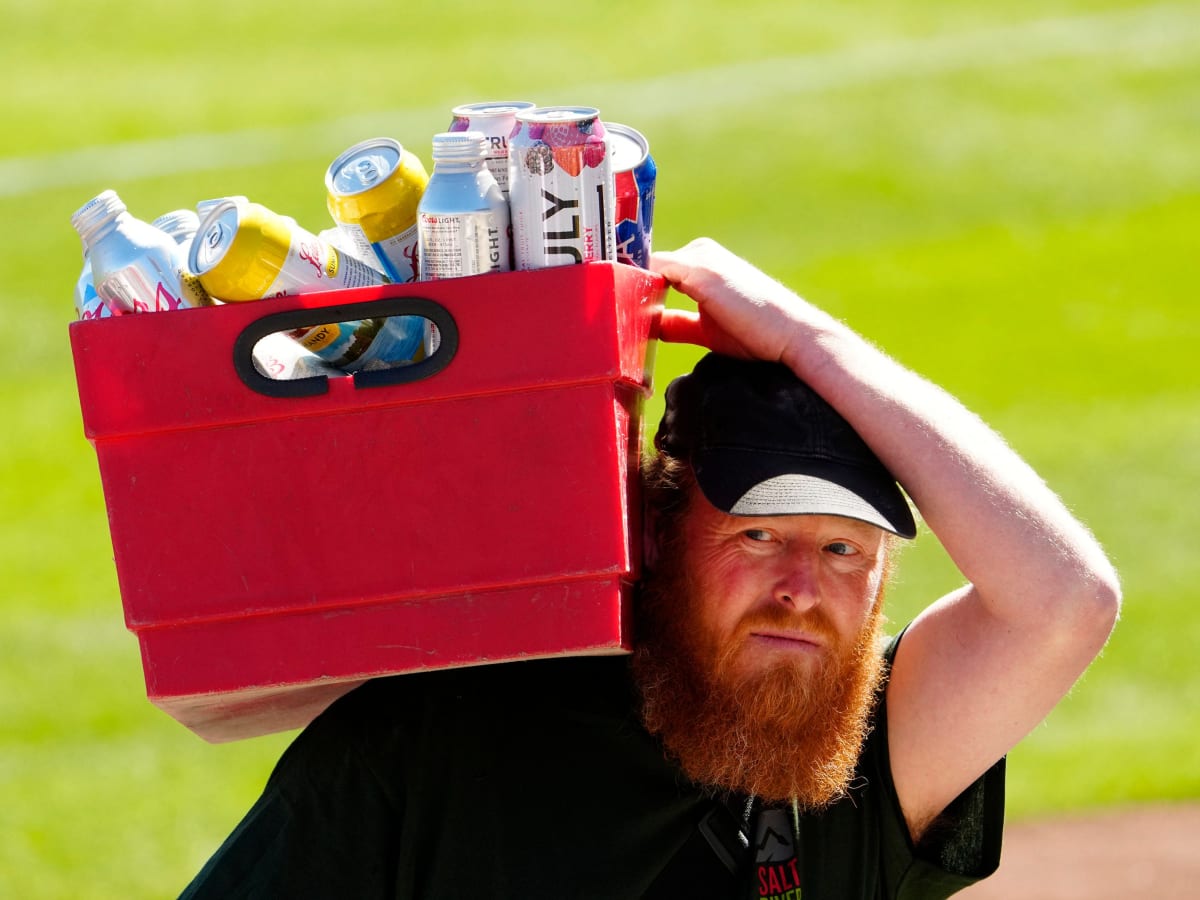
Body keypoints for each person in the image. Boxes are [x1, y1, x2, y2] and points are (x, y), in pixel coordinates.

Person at [179, 239, 1120, 899]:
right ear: (659, 530)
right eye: (758, 536)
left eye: (846, 551)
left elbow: (1065, 603)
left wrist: (810, 343)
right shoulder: (435, 744)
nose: (802, 588)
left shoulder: (864, 769)